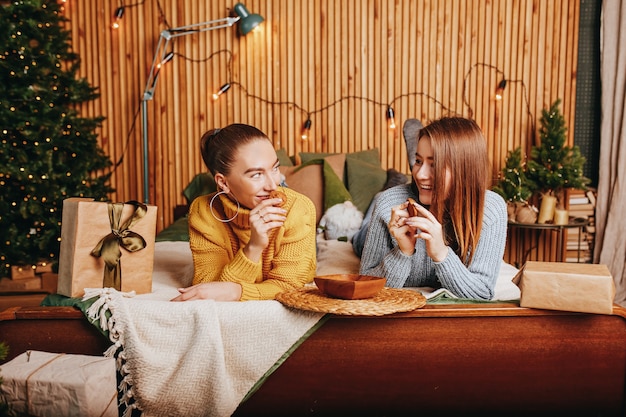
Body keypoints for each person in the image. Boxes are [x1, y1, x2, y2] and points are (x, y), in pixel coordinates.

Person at [358, 116, 507, 300]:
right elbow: (365, 285)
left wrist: (441, 254)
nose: (420, 175)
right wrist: (402, 252)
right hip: (371, 226)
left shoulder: (490, 209)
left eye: (434, 164)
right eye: (418, 161)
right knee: (358, 234)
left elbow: (482, 292)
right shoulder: (389, 203)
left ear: (463, 170)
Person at [172, 123, 317, 302]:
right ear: (223, 183)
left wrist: (236, 292)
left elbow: (289, 286)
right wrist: (254, 247)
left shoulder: (298, 208)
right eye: (256, 175)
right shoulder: (203, 211)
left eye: (275, 168)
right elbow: (210, 286)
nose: (273, 185)